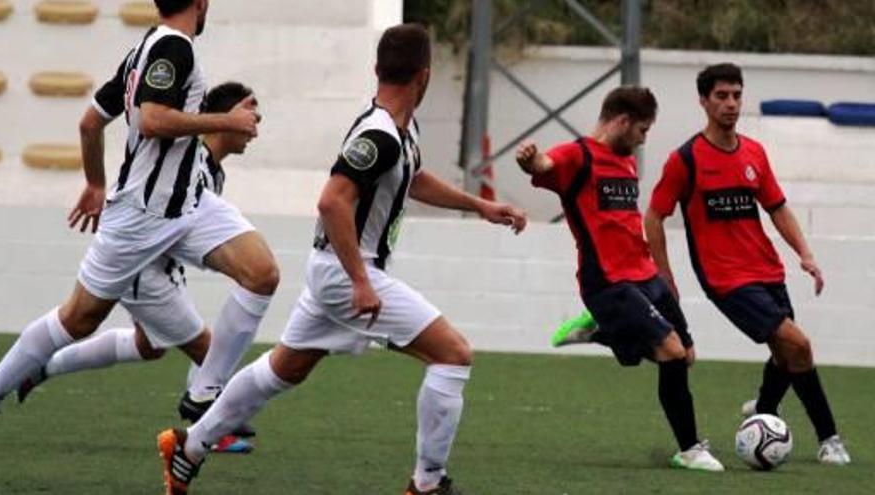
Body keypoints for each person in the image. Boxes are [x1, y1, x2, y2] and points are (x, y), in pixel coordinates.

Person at [156, 23, 527, 495]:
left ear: (378, 70)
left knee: (284, 369)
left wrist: (480, 206)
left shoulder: (397, 129)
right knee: (453, 355)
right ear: (425, 76)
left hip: (337, 271)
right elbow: (332, 201)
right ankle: (428, 484)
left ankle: (187, 449)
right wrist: (360, 280)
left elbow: (411, 178)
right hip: (347, 273)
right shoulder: (380, 134)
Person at [0, 0, 278, 441]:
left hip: (186, 205)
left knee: (262, 274)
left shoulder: (143, 50)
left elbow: (90, 123)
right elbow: (152, 120)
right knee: (78, 319)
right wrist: (228, 118)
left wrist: (94, 183)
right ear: (201, 3)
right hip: (142, 215)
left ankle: (204, 394)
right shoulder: (173, 49)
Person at [16, 82, 263, 453]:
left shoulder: (212, 171)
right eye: (249, 115)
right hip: (142, 268)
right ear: (225, 120)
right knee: (208, 350)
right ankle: (210, 431)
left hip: (156, 267)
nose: (254, 126)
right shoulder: (189, 160)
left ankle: (42, 367)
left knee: (148, 346)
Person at [645, 62, 850, 465]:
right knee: (799, 344)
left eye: (737, 95)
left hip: (767, 269)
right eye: (721, 96)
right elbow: (653, 216)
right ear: (704, 101)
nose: (731, 104)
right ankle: (829, 438)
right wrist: (664, 274)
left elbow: (777, 208)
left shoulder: (754, 152)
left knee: (784, 354)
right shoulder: (685, 159)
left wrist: (805, 255)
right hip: (726, 279)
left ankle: (764, 411)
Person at [516, 86, 723, 472]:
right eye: (643, 130)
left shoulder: (626, 162)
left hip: (646, 277)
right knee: (672, 353)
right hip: (608, 282)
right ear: (624, 122)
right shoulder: (578, 156)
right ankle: (690, 448)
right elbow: (545, 165)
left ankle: (605, 334)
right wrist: (530, 160)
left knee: (687, 357)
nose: (645, 139)